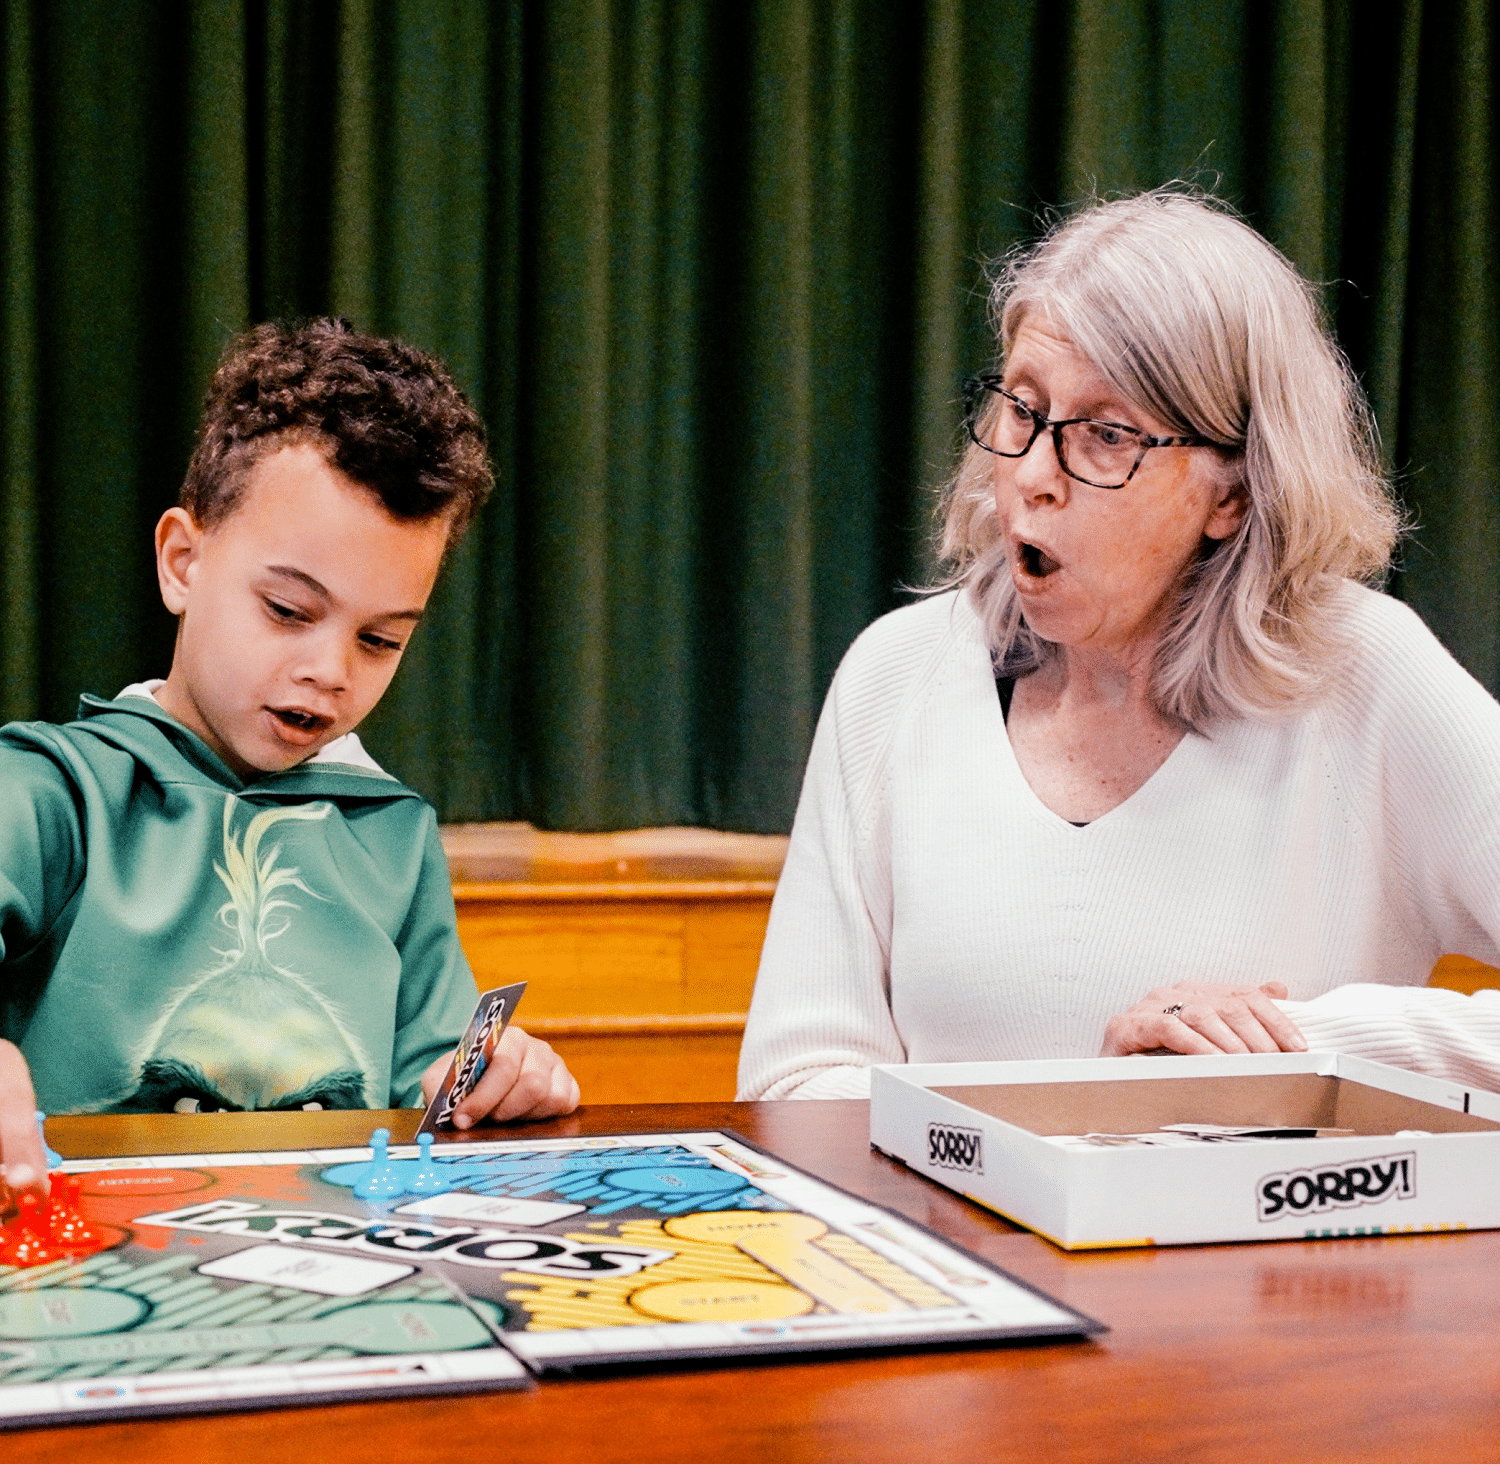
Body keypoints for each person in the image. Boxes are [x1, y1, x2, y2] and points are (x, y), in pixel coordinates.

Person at [738, 188, 1500, 1101]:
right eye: (1022, 407)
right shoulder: (895, 676)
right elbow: (793, 1086)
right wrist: (1070, 1127)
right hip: (939, 1239)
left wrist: (1299, 1046)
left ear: (1234, 493)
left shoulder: (1363, 671)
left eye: (1106, 436)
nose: (1028, 477)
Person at [0, 319, 579, 1191]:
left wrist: (504, 1080)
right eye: (288, 610)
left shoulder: (391, 835)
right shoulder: (54, 792)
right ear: (182, 563)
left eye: (380, 639)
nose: (329, 671)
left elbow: (437, 1090)